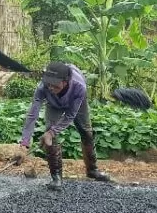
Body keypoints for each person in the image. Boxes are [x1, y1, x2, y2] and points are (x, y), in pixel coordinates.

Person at [19, 62, 111, 190]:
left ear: (65, 81)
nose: (50, 87)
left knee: (86, 132)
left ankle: (92, 170)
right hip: (53, 104)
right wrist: (25, 142)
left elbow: (70, 115)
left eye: (55, 85)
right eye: (49, 84)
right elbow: (32, 114)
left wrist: (52, 132)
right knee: (49, 134)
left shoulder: (79, 87)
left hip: (75, 101)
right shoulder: (43, 87)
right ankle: (56, 178)